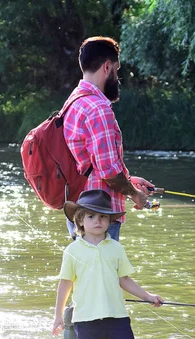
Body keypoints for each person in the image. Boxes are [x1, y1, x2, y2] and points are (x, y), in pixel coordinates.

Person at [52, 189, 163, 339]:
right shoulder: (72, 251)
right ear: (80, 220)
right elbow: (65, 283)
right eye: (91, 216)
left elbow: (124, 280)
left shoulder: (116, 248)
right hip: (86, 319)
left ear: (110, 221)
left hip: (117, 317)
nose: (98, 220)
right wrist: (58, 316)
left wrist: (148, 296)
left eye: (103, 216)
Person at [63, 36, 156, 241]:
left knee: (86, 273)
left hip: (80, 213)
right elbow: (109, 171)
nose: (117, 77)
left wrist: (129, 180)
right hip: (100, 217)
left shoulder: (73, 102)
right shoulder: (98, 108)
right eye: (117, 69)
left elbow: (89, 165)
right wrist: (136, 195)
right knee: (103, 274)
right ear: (107, 67)